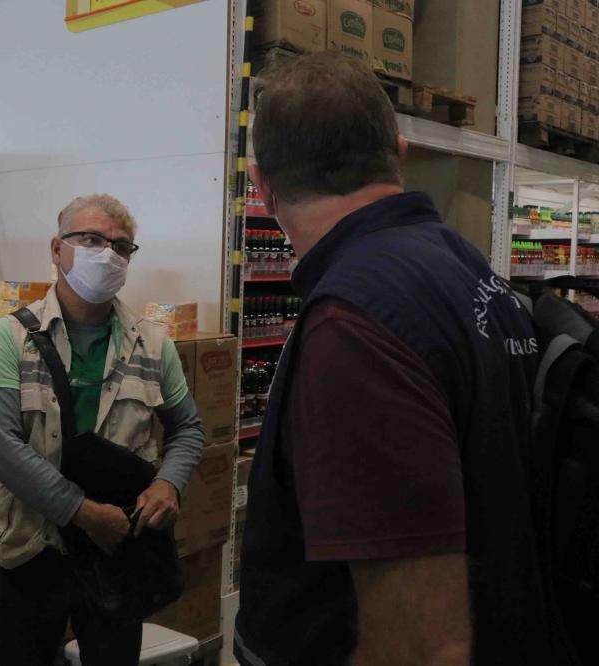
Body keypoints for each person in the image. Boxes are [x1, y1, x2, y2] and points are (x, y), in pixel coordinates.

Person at [234, 51, 577, 666]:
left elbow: (421, 645)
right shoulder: (469, 270)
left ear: (260, 185)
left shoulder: (354, 327)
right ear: (398, 150)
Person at [0, 194, 205, 666]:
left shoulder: (153, 342)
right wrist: (82, 513)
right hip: (33, 548)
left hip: (117, 553)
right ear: (57, 249)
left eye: (122, 246)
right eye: (92, 240)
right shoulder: (7, 339)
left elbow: (189, 429)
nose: (109, 254)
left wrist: (168, 483)